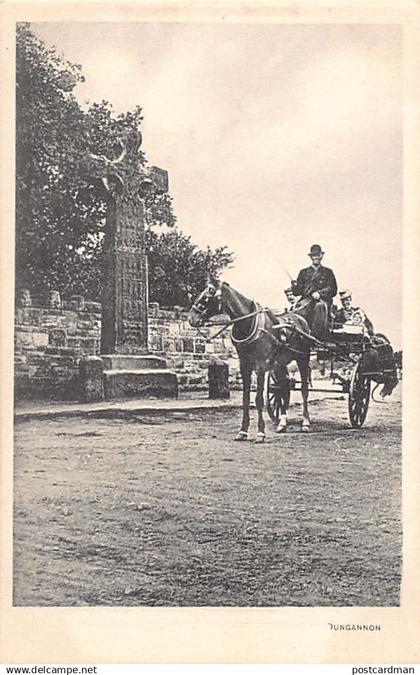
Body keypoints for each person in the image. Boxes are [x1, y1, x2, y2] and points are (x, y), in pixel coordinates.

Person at [291, 244, 338, 339]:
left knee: (319, 307)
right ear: (311, 257)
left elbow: (333, 289)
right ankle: (296, 336)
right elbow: (297, 292)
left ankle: (315, 338)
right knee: (295, 311)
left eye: (317, 255)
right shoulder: (303, 272)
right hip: (306, 302)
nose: (315, 257)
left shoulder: (328, 272)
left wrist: (320, 293)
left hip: (321, 302)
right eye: (313, 255)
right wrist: (294, 286)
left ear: (321, 256)